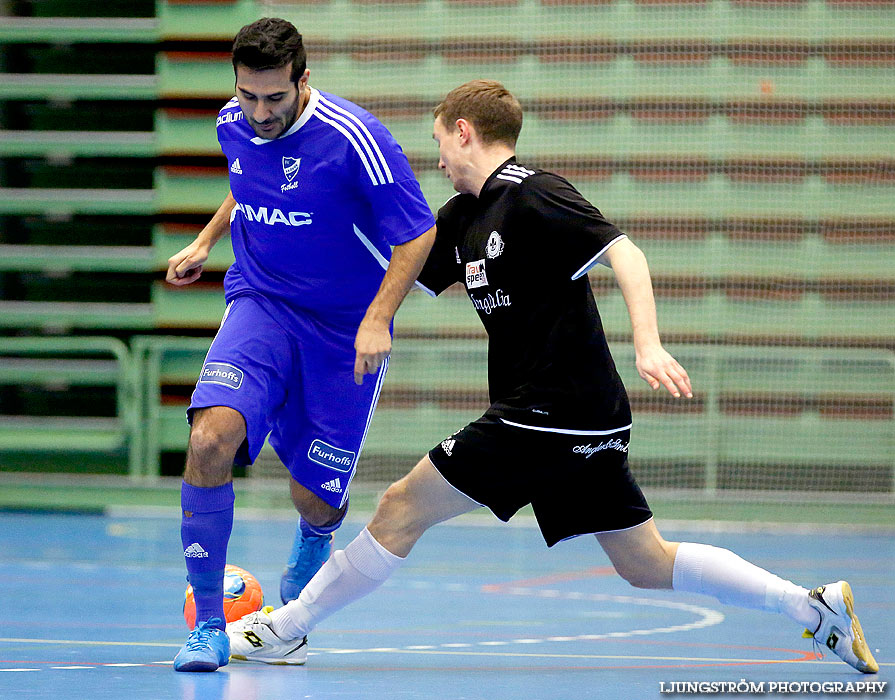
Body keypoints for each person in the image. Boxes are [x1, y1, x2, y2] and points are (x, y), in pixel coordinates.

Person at [225, 80, 878, 674]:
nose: (439, 162)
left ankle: (285, 627)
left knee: (400, 506)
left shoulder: (534, 193)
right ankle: (810, 607)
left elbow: (625, 252)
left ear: (463, 132)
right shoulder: (458, 220)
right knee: (644, 563)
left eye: (439, 144)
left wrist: (646, 343)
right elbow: (385, 269)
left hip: (547, 411)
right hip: (583, 418)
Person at [166, 17, 436, 672]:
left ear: (302, 80)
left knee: (315, 495)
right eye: (248, 95)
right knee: (208, 440)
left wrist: (378, 317)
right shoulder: (234, 120)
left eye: (274, 99)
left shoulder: (355, 139)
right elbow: (245, 181)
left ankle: (313, 542)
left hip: (344, 330)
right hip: (260, 304)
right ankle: (207, 626)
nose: (258, 112)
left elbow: (417, 233)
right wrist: (205, 241)